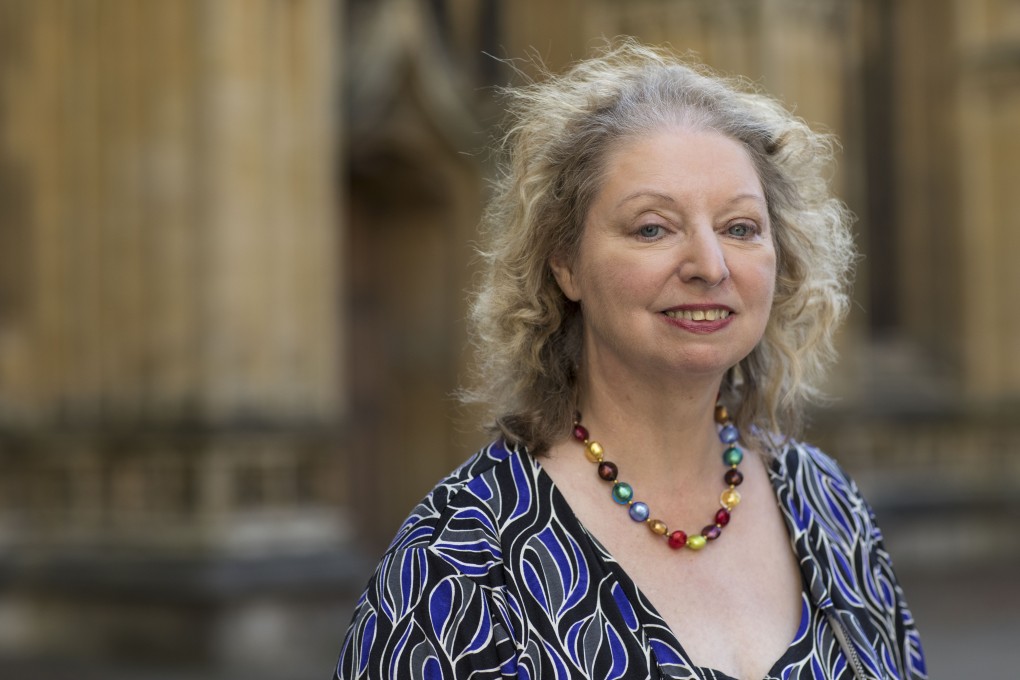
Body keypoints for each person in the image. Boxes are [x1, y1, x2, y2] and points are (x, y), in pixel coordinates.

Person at [334, 41, 926, 680]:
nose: (710, 265)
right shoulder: (457, 566)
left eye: (740, 227)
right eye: (653, 228)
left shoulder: (827, 505)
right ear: (565, 265)